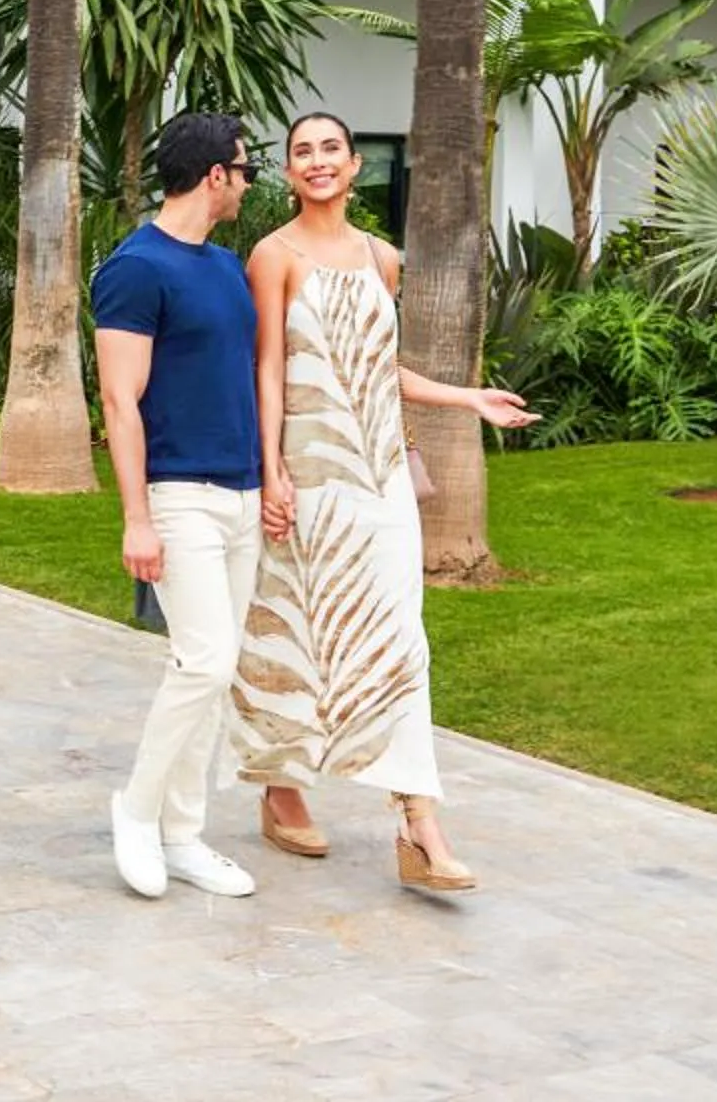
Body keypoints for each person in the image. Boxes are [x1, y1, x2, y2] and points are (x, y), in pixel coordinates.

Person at [231, 109, 538, 892]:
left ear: (354, 164)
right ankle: (281, 788)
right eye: (302, 151)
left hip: (380, 483)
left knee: (402, 640)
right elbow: (268, 368)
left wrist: (468, 399)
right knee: (292, 625)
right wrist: (272, 471)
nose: (318, 161)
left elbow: (377, 366)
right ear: (289, 171)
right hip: (309, 474)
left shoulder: (384, 258)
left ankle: (420, 826)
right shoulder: (273, 256)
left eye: (331, 148)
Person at [93, 110, 262, 901]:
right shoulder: (135, 268)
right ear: (215, 175)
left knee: (214, 671)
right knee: (205, 659)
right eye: (245, 168)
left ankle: (184, 835)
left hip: (243, 492)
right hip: (179, 494)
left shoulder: (226, 269)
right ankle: (136, 808)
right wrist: (137, 516)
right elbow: (121, 404)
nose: (249, 182)